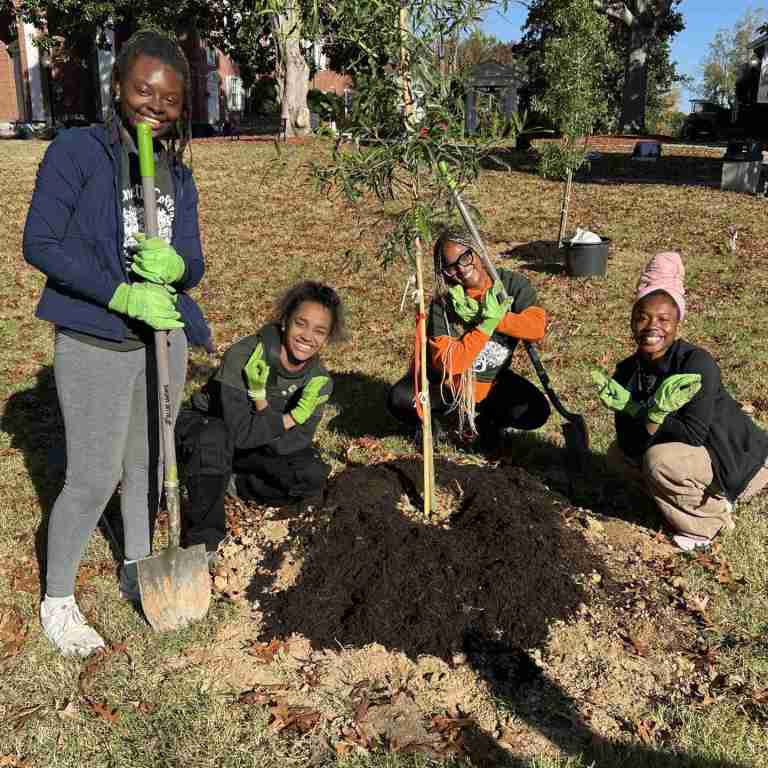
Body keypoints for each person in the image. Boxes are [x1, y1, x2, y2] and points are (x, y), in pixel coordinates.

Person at [23, 30, 209, 656]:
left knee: (147, 465)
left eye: (171, 98)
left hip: (163, 341)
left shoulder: (178, 174)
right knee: (95, 475)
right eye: (143, 90)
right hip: (97, 342)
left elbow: (194, 261)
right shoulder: (77, 152)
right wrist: (122, 293)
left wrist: (174, 271)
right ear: (118, 89)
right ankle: (58, 598)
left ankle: (137, 566)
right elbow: (41, 245)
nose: (157, 105)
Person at [592, 251, 768, 551]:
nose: (652, 326)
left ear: (678, 324)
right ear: (632, 320)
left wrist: (652, 413)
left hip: (737, 457)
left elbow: (694, 433)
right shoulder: (627, 371)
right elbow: (630, 444)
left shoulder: (696, 363)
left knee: (660, 462)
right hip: (694, 456)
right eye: (643, 316)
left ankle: (711, 521)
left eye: (664, 319)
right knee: (617, 456)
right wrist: (634, 410)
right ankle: (693, 498)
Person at [178, 281, 344, 556]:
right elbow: (239, 432)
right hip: (208, 427)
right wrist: (288, 417)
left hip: (257, 442)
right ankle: (203, 544)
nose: (307, 336)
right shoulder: (245, 355)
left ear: (326, 338)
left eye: (319, 331)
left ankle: (234, 483)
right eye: (301, 324)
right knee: (214, 437)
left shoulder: (318, 381)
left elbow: (294, 443)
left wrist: (266, 407)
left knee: (310, 475)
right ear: (285, 321)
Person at [387, 227, 550, 446]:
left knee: (535, 411)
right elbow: (450, 363)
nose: (461, 270)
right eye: (450, 267)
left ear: (477, 251)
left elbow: (537, 327)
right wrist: (486, 324)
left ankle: (488, 423)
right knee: (401, 399)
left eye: (465, 257)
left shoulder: (510, 286)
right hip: (445, 387)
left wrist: (499, 319)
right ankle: (432, 423)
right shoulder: (444, 304)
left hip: (490, 382)